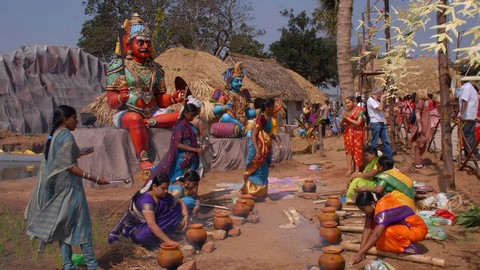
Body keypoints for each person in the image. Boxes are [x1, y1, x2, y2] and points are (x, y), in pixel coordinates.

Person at [25, 105, 110, 270]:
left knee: (64, 227)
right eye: (74, 117)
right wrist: (95, 178)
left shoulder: (56, 135)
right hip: (71, 189)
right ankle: (92, 265)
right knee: (82, 224)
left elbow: (59, 159)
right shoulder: (66, 136)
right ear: (65, 119)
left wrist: (81, 152)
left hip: (59, 189)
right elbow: (69, 166)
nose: (76, 121)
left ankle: (68, 265)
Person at [106, 13, 186, 171]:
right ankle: (143, 159)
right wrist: (121, 98)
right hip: (127, 112)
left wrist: (173, 98)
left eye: (148, 43)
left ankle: (148, 123)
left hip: (153, 112)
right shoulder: (118, 66)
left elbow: (159, 99)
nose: (145, 46)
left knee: (181, 115)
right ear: (128, 45)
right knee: (135, 119)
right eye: (140, 42)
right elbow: (111, 102)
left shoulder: (156, 69)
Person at [108, 174, 188, 249]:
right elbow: (151, 225)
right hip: (137, 226)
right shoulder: (146, 201)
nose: (166, 191)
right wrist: (169, 242)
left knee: (176, 208)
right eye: (163, 188)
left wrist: (186, 215)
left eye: (167, 188)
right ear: (154, 186)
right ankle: (159, 241)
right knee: (141, 236)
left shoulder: (164, 196)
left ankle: (164, 235)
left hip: (153, 223)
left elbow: (180, 202)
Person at [351, 191, 428, 265]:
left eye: (364, 209)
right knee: (376, 231)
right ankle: (397, 241)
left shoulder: (382, 208)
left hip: (417, 229)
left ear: (372, 203)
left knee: (386, 233)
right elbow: (367, 228)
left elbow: (376, 234)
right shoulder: (372, 208)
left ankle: (406, 247)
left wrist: (360, 253)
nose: (363, 212)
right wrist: (361, 251)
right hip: (402, 227)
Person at [150, 102, 204, 181]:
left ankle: (192, 193)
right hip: (184, 157)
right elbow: (178, 144)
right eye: (192, 115)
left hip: (193, 156)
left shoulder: (191, 125)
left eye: (194, 115)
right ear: (185, 113)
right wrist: (195, 150)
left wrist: (198, 147)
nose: (193, 117)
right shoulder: (180, 126)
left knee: (194, 178)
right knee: (183, 179)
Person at [241, 98, 282, 198]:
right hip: (258, 146)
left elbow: (268, 133)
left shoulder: (269, 117)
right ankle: (252, 192)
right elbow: (253, 134)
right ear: (267, 108)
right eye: (272, 107)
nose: (273, 109)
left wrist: (277, 140)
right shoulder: (262, 118)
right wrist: (257, 150)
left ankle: (261, 192)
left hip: (265, 147)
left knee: (264, 170)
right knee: (257, 169)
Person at [210, 62, 256, 137]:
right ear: (230, 82)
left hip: (243, 122)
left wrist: (258, 111)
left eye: (241, 81)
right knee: (225, 117)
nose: (240, 83)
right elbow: (215, 111)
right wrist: (224, 107)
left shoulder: (243, 94)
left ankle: (244, 130)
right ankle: (244, 131)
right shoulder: (224, 94)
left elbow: (247, 112)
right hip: (230, 123)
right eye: (237, 81)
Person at [366, 87, 393, 159]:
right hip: (375, 123)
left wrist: (383, 101)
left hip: (380, 122)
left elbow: (382, 108)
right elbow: (380, 108)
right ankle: (373, 158)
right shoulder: (370, 100)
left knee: (385, 141)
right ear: (377, 93)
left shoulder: (376, 101)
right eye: (380, 93)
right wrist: (381, 99)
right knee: (374, 142)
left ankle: (389, 158)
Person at [341, 96, 365, 175]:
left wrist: (347, 118)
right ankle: (350, 169)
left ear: (353, 101)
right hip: (348, 132)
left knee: (356, 150)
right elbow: (341, 123)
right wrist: (343, 118)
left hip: (357, 132)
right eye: (346, 103)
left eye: (349, 102)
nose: (347, 104)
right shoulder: (346, 111)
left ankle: (357, 170)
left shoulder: (360, 110)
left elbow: (358, 122)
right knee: (348, 151)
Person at [458, 78, 480, 159]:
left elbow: (464, 101)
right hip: (470, 115)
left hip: (467, 116)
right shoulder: (470, 87)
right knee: (469, 135)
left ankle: (472, 154)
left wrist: (461, 113)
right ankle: (470, 154)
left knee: (467, 135)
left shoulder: (466, 88)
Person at [410, 93, 432, 169]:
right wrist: (419, 126)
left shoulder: (423, 102)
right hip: (422, 126)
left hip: (424, 126)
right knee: (420, 143)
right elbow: (417, 114)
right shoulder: (420, 102)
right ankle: (417, 163)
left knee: (422, 143)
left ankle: (419, 161)